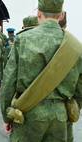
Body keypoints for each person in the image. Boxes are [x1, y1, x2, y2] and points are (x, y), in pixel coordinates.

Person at [1, 0, 82, 141]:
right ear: (61, 15)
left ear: (38, 13)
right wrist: (73, 110)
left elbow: (8, 82)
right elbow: (80, 88)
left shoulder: (22, 39)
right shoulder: (75, 46)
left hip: (27, 113)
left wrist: (7, 116)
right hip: (60, 116)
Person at [58, 11, 72, 142]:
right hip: (64, 107)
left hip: (36, 106)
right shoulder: (74, 46)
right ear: (66, 26)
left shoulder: (27, 40)